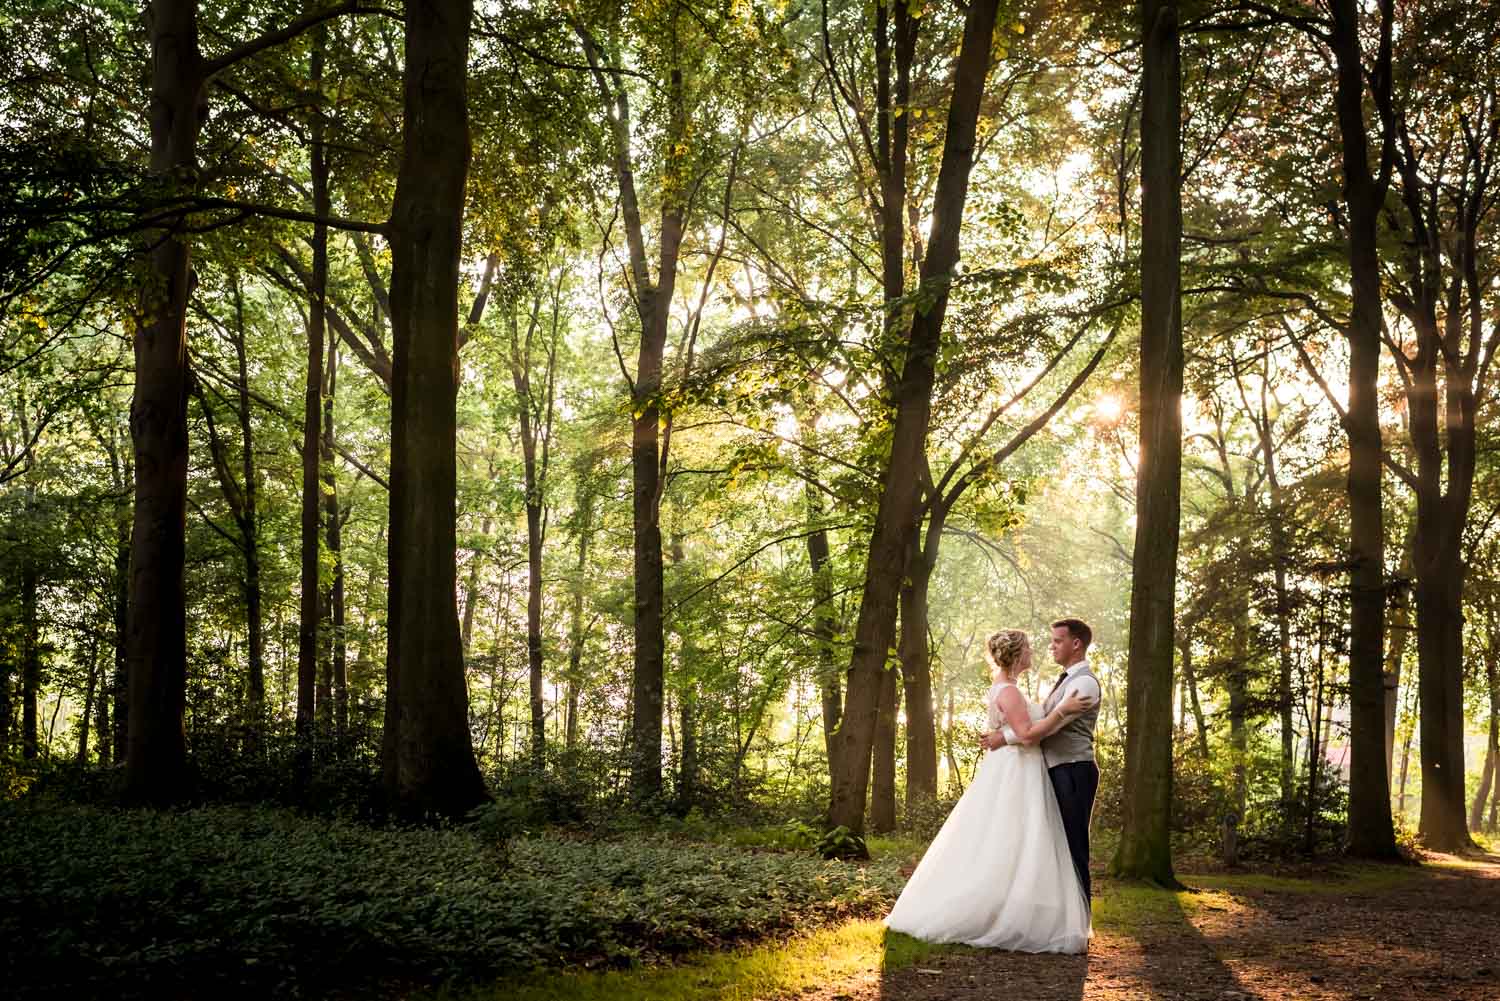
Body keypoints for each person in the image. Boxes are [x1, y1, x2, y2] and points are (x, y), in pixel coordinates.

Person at [884, 629, 1094, 953]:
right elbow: (1027, 735)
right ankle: (1001, 912)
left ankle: (1020, 907)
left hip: (1020, 766)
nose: (1033, 653)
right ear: (1015, 655)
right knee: (1012, 838)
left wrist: (1003, 735)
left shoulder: (1009, 688)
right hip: (1017, 769)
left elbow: (1016, 731)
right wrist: (1061, 711)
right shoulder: (1008, 691)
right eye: (1028, 648)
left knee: (1017, 839)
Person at [983, 618, 1102, 902]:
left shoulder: (1083, 683)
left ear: (1076, 644)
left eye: (1057, 641)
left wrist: (1004, 737)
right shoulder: (1062, 682)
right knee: (1055, 846)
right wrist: (1007, 736)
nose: (1050, 647)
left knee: (1073, 846)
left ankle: (1079, 918)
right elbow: (1032, 727)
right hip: (1056, 769)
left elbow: (1045, 728)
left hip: (1074, 769)